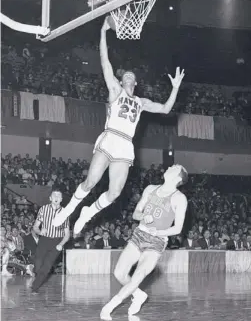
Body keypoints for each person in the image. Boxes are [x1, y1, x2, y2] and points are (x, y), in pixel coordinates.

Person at [53, 17, 185, 235]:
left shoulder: (141, 102)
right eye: (125, 74)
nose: (128, 75)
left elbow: (165, 109)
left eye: (131, 76)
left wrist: (175, 88)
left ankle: (87, 213)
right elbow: (105, 62)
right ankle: (69, 210)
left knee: (114, 193)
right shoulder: (115, 90)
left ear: (135, 83)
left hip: (125, 144)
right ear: (122, 80)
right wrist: (103, 32)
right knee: (90, 182)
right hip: (110, 136)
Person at [100, 164, 188, 320]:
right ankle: (139, 295)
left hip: (157, 241)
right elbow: (136, 213)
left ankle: (110, 306)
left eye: (175, 167)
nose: (170, 166)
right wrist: (142, 217)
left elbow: (178, 228)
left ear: (178, 178)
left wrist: (159, 232)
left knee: (139, 274)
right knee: (119, 273)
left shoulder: (179, 198)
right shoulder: (150, 189)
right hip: (139, 234)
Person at [31, 189, 70, 293]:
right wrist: (39, 232)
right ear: (50, 198)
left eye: (59, 196)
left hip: (57, 242)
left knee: (47, 267)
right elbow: (35, 227)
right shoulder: (43, 209)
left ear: (61, 199)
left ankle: (35, 287)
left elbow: (67, 234)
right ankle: (36, 275)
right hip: (44, 240)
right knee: (38, 265)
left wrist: (61, 244)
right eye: (54, 195)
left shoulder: (65, 212)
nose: (56, 197)